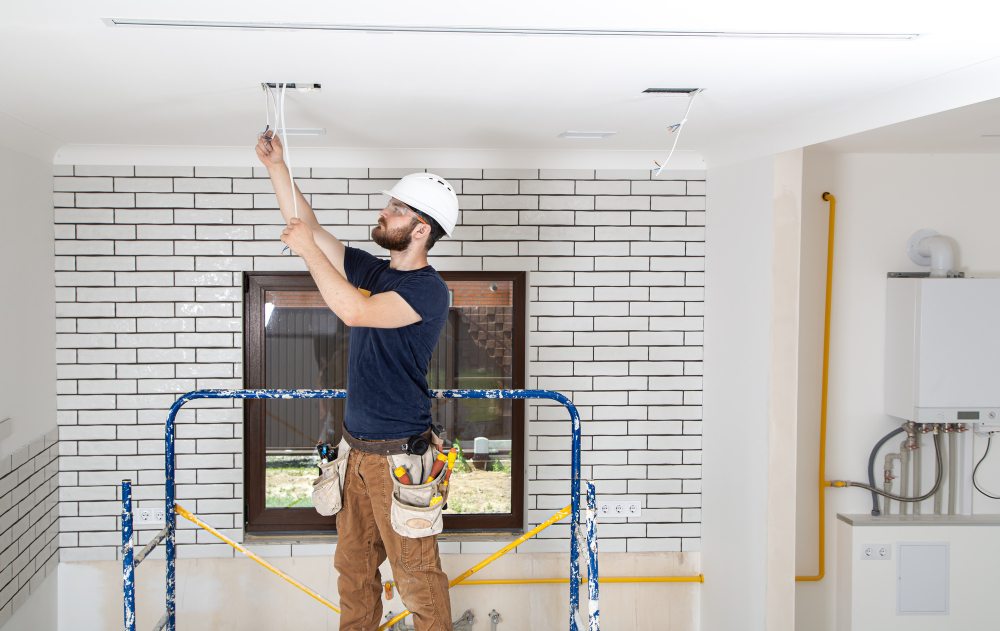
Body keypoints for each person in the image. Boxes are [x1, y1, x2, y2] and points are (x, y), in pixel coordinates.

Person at [256, 132, 459, 631]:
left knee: (416, 578)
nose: (384, 212)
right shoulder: (374, 269)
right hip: (356, 453)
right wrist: (278, 168)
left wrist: (307, 253)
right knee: (353, 571)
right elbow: (307, 227)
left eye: (395, 208)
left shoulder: (429, 291)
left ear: (420, 229)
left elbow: (355, 310)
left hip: (400, 459)